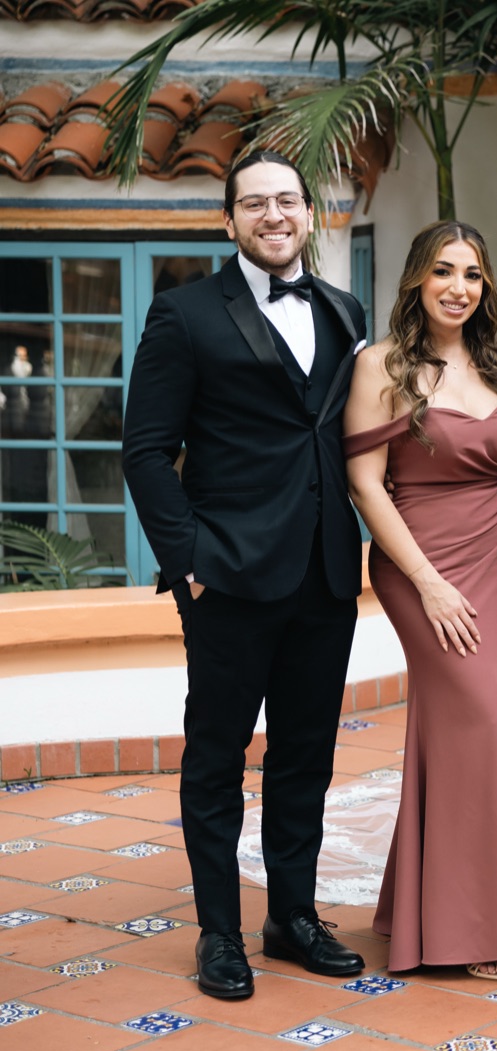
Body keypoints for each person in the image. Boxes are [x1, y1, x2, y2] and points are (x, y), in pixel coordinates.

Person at [122, 149, 367, 999]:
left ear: (308, 215)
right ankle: (219, 933)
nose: (274, 215)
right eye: (254, 203)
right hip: (225, 577)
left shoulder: (344, 308)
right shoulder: (184, 313)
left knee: (307, 755)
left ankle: (292, 917)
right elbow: (146, 451)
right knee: (218, 756)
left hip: (326, 571)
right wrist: (187, 560)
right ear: (229, 221)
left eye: (287, 201)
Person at [343, 221, 497, 980]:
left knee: (480, 722)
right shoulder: (382, 364)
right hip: (421, 561)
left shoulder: (495, 363)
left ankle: (425, 909)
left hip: (492, 557)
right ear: (416, 281)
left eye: (473, 274)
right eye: (444, 272)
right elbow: (366, 483)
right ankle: (475, 927)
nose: (459, 287)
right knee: (476, 718)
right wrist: (427, 583)